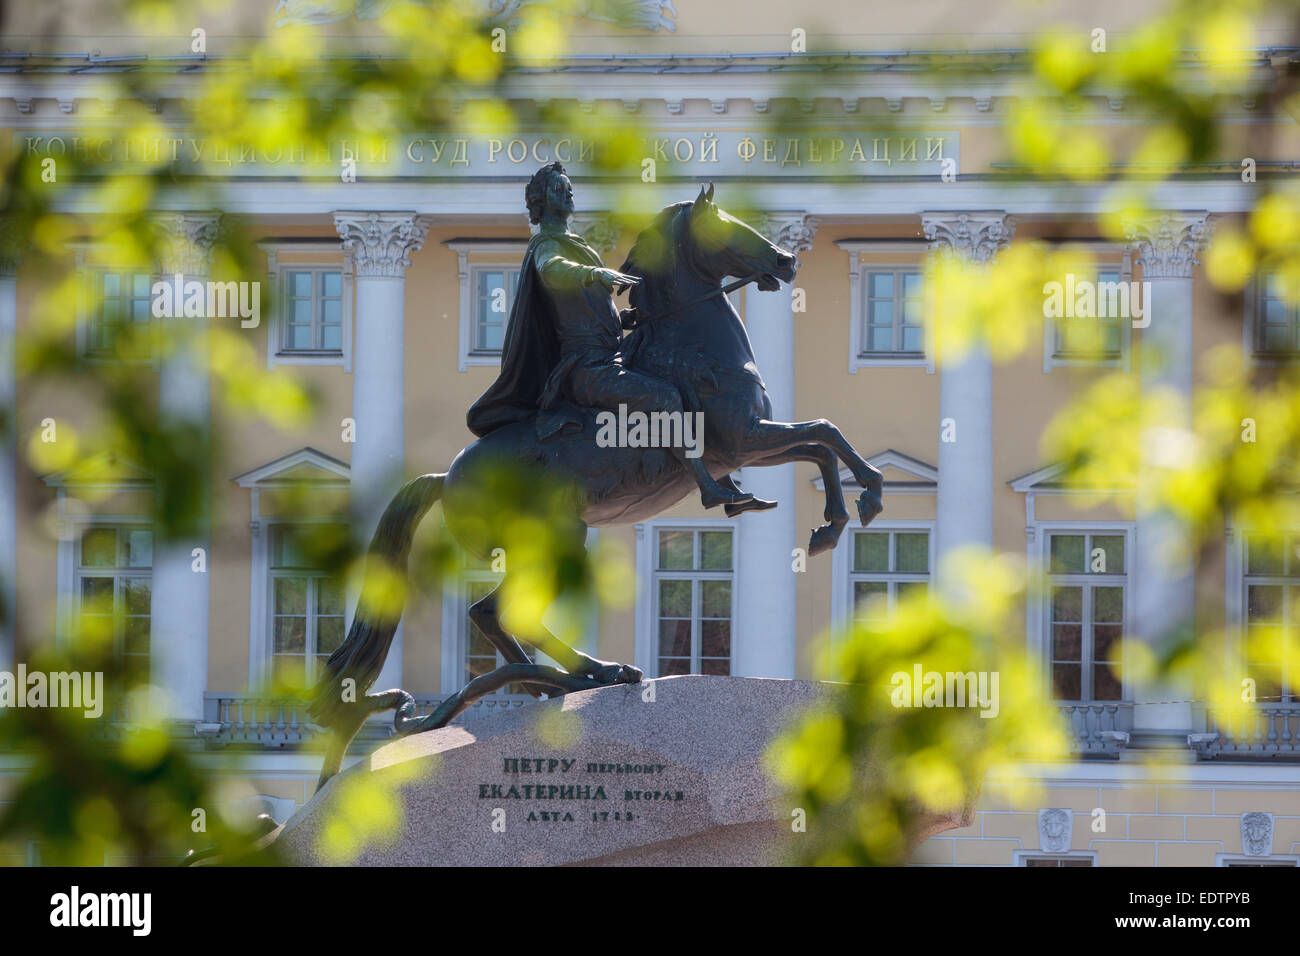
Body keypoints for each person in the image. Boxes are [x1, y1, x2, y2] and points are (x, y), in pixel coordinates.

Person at [466, 161, 754, 510]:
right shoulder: (546, 244)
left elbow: (588, 313)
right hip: (587, 369)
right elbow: (553, 272)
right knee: (665, 397)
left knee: (686, 379)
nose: (568, 191)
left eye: (569, 186)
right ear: (541, 201)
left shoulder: (574, 243)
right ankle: (708, 486)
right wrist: (592, 273)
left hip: (610, 354)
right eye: (559, 188)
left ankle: (725, 478)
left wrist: (625, 319)